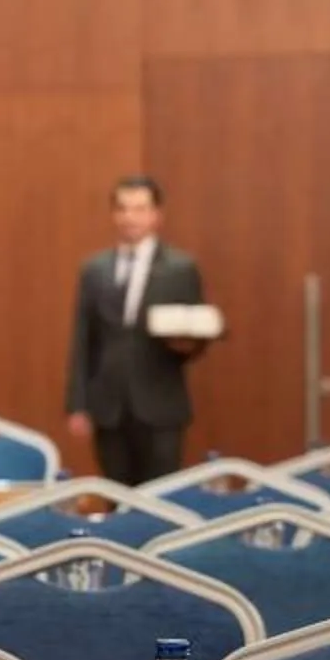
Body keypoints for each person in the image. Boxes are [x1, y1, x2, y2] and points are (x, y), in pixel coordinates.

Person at [63, 175, 207, 487]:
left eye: (140, 209)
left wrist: (187, 346)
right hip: (109, 406)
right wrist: (77, 404)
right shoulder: (95, 269)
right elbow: (84, 338)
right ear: (113, 214)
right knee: (117, 496)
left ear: (156, 215)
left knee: (161, 498)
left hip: (159, 404)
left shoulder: (180, 268)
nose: (130, 218)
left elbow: (197, 330)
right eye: (123, 209)